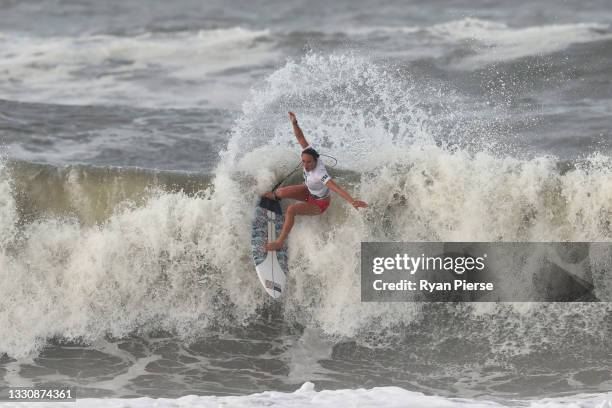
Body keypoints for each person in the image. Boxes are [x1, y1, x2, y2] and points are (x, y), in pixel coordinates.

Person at [264, 112, 368, 251]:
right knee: (279, 192)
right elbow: (300, 137)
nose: (305, 165)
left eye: (308, 162)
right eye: (303, 161)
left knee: (291, 210)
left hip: (319, 203)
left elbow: (336, 188)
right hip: (308, 191)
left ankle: (279, 243)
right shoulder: (309, 153)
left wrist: (352, 201)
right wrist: (295, 123)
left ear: (315, 160)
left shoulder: (320, 174)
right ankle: (270, 197)